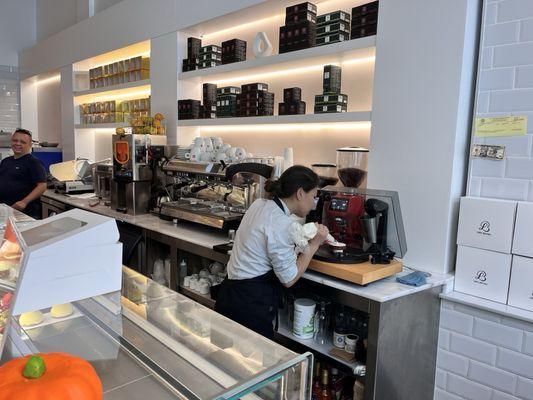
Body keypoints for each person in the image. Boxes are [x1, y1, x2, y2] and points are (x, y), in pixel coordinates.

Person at [215, 165, 329, 339]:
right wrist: (314, 245)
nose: (314, 204)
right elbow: (289, 279)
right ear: (300, 193)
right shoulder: (282, 224)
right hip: (249, 307)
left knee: (226, 362)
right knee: (252, 362)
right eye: (313, 196)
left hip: (230, 295)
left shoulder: (260, 204)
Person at [0, 128, 47, 219]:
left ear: (29, 145)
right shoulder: (6, 161)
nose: (18, 143)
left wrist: (24, 202)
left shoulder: (34, 162)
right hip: (6, 210)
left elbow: (42, 186)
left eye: (23, 142)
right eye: (15, 140)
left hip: (25, 212)